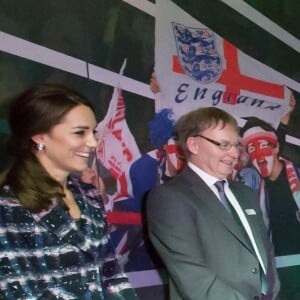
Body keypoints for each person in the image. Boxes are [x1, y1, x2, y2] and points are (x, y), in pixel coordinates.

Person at [0, 83, 138, 299]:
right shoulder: (8, 207)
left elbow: (111, 273)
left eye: (92, 132)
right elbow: (17, 291)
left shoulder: (90, 196)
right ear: (40, 136)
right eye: (79, 133)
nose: (92, 142)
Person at [147, 107, 280, 300]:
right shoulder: (169, 198)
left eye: (236, 145)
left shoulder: (246, 194)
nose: (234, 154)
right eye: (224, 145)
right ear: (193, 145)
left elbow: (266, 250)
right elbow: (194, 277)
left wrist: (273, 292)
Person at [241, 116, 300, 300]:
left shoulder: (297, 176)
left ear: (275, 148)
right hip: (276, 271)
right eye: (252, 149)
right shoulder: (251, 182)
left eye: (262, 146)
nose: (258, 154)